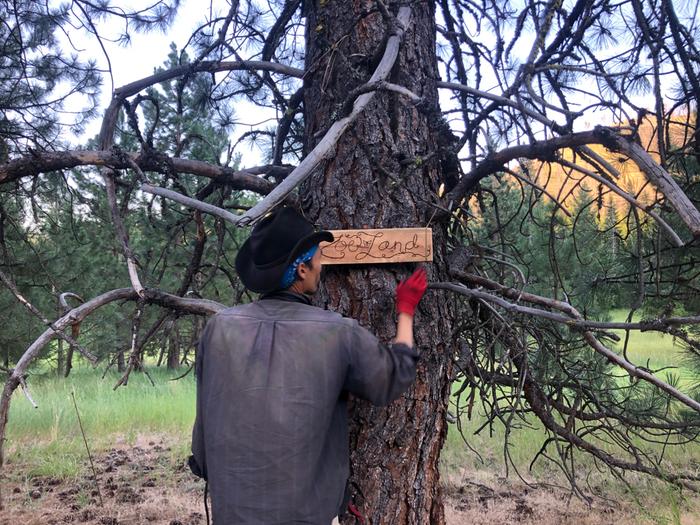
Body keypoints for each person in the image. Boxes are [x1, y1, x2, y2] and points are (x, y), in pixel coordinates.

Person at [190, 206, 427, 524]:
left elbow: (204, 421)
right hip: (304, 513)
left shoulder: (219, 327)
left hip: (232, 509)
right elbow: (392, 379)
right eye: (318, 258)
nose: (321, 266)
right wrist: (406, 311)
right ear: (302, 270)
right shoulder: (336, 331)